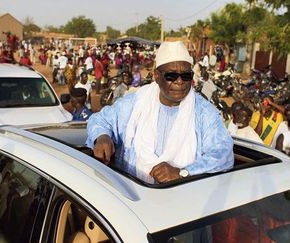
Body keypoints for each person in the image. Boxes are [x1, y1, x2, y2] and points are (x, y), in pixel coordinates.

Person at [86, 41, 234, 184]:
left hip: (183, 199)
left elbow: (223, 154)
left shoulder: (204, 112)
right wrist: (102, 136)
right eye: (171, 76)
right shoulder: (136, 102)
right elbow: (100, 120)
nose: (179, 81)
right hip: (131, 195)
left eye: (186, 76)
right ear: (157, 76)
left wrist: (182, 173)